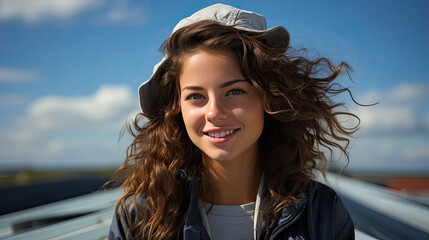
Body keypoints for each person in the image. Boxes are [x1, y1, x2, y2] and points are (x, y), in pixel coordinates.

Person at [109, 3, 357, 240]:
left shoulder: (321, 212)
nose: (214, 112)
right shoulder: (138, 218)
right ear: (176, 108)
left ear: (268, 96)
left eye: (235, 91)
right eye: (196, 96)